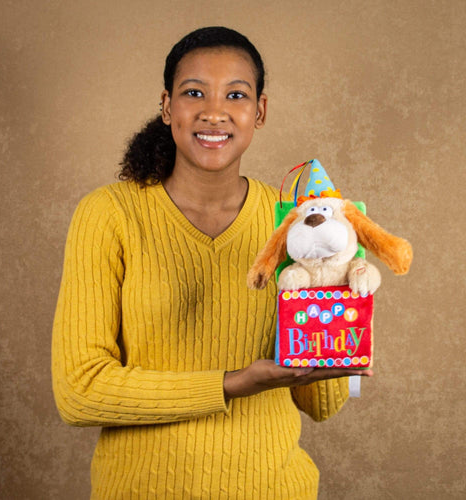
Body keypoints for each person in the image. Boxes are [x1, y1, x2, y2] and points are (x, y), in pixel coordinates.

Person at [52, 26, 372, 499]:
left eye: (236, 95)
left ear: (259, 111)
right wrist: (232, 384)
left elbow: (322, 406)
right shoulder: (108, 215)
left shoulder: (292, 221)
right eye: (194, 92)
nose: (214, 112)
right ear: (167, 106)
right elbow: (79, 391)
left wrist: (337, 307)